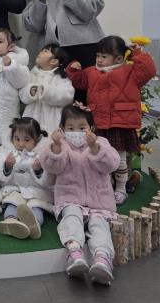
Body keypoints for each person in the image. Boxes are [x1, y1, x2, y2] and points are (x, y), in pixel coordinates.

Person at [66, 35, 156, 204]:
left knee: (119, 158)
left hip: (119, 123)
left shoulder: (131, 72)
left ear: (119, 58)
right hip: (99, 122)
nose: (99, 60)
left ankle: (121, 189)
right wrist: (74, 69)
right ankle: (105, 187)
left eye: (104, 56)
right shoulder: (91, 72)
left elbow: (149, 70)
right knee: (100, 157)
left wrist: (137, 53)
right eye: (97, 56)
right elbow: (79, 82)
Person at [39, 104, 120, 285]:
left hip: (100, 202)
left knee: (99, 225)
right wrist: (56, 147)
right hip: (70, 199)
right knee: (71, 218)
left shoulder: (101, 143)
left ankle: (102, 259)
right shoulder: (60, 145)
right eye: (70, 128)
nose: (76, 132)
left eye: (82, 128)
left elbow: (112, 164)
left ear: (91, 128)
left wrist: (94, 148)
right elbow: (50, 166)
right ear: (62, 128)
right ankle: (75, 253)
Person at [22, 0, 105, 102]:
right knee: (57, 99)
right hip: (55, 54)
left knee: (88, 95)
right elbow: (33, 26)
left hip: (86, 47)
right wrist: (39, 0)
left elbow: (91, 11)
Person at [0, 117, 53, 240]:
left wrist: (38, 170)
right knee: (12, 204)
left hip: (36, 192)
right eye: (17, 139)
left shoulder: (43, 154)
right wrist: (7, 166)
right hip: (15, 189)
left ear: (36, 139)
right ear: (12, 138)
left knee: (36, 207)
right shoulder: (6, 151)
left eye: (27, 140)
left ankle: (34, 224)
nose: (21, 144)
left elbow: (50, 178)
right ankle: (10, 222)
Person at [20, 44, 75, 134]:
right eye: (42, 50)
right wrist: (30, 92)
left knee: (51, 140)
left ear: (54, 61)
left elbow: (67, 96)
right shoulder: (31, 74)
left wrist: (45, 92)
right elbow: (22, 96)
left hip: (53, 121)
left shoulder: (60, 77)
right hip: (32, 119)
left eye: (45, 51)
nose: (40, 52)